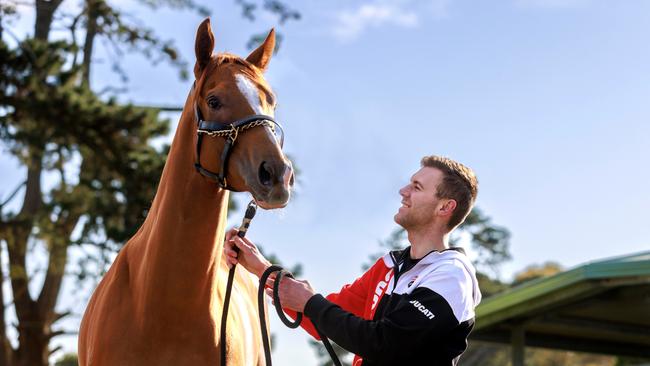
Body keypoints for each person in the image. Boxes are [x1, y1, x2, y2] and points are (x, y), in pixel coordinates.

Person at [224, 155, 482, 366]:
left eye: (416, 187)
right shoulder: (389, 266)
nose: (403, 191)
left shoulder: (451, 275)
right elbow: (322, 321)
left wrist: (311, 303)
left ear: (445, 208)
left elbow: (386, 344)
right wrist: (260, 268)